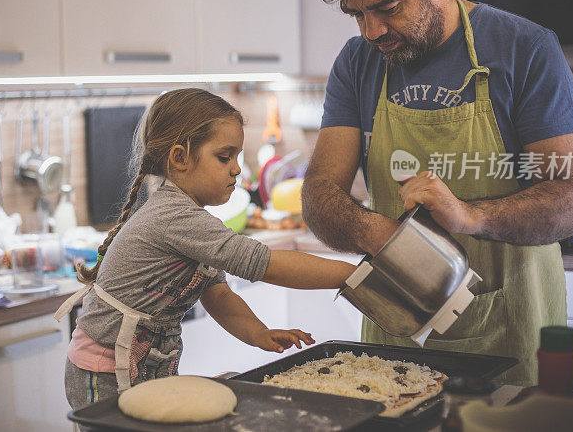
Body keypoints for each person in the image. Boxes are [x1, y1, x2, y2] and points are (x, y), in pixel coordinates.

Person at [302, 0, 573, 386]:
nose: (371, 32)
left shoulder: (526, 49)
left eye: (386, 9)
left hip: (508, 332)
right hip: (393, 340)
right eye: (356, 15)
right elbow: (319, 194)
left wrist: (469, 217)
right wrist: (386, 238)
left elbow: (571, 200)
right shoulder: (357, 63)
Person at [56, 88, 358, 407]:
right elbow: (262, 262)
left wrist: (259, 333)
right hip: (103, 371)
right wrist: (355, 274)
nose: (237, 169)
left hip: (144, 364)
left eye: (237, 158)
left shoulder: (192, 219)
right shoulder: (175, 216)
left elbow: (218, 294)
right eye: (224, 157)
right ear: (180, 158)